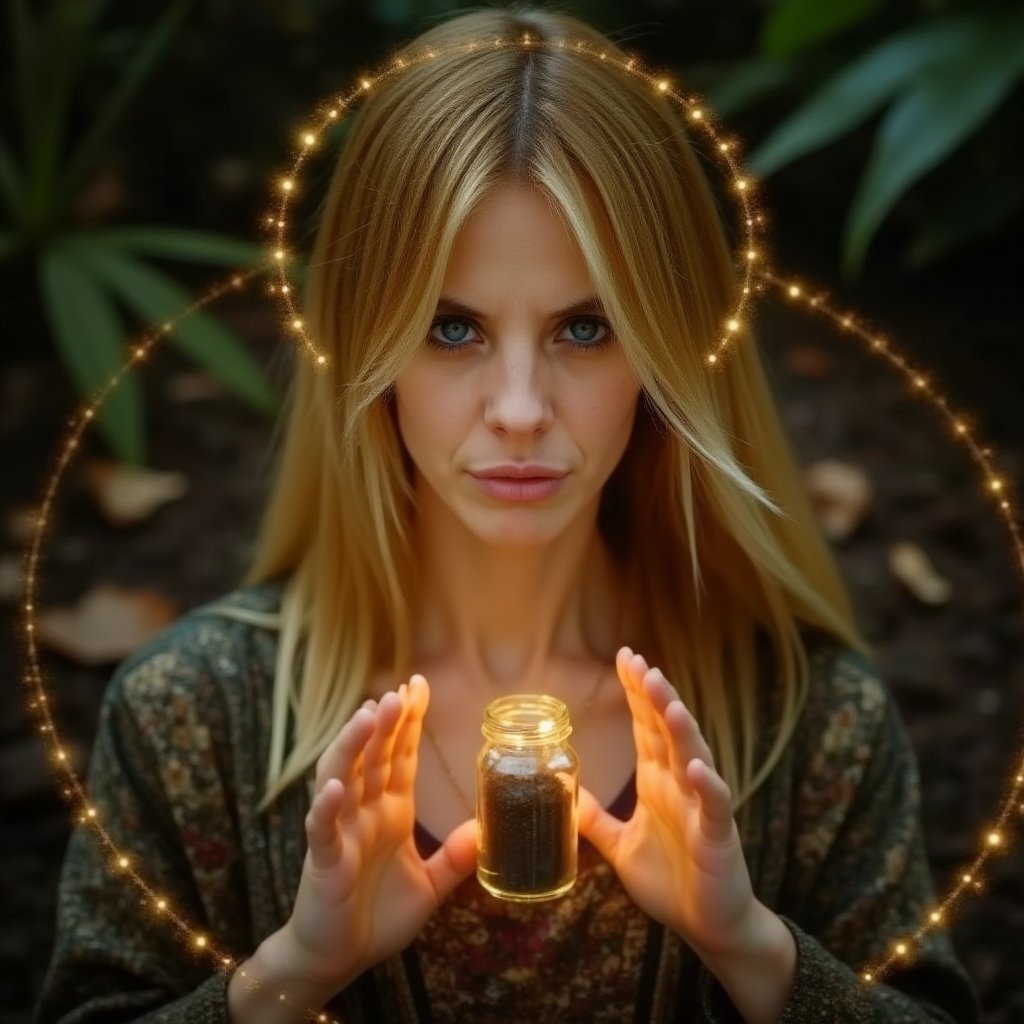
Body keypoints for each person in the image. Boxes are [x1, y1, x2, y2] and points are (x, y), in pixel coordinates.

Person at [35, 5, 979, 1023]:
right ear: (368, 351)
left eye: (584, 326)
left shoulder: (811, 719)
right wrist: (292, 972)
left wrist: (753, 950)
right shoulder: (192, 718)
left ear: (664, 352)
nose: (521, 408)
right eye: (452, 327)